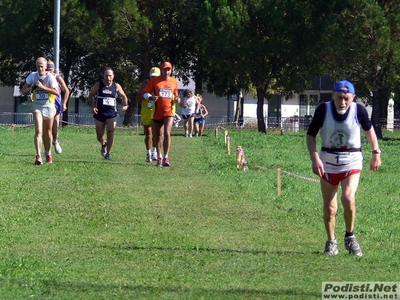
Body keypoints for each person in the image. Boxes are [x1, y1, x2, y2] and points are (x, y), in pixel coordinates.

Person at [306, 80, 382, 257]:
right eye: (339, 97)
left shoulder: (359, 110)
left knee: (348, 198)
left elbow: (369, 131)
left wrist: (376, 153)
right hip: (327, 162)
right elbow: (310, 135)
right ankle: (331, 242)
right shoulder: (323, 110)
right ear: (333, 95)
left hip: (352, 159)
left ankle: (350, 236)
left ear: (353, 97)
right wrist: (314, 157)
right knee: (330, 208)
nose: (342, 102)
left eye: (346, 98)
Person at [20, 57, 59, 165]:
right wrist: (31, 88)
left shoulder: (50, 77)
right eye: (38, 66)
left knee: (48, 132)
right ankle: (38, 156)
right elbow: (22, 90)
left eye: (42, 66)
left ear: (46, 67)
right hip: (37, 106)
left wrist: (43, 87)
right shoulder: (32, 75)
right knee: (38, 131)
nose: (40, 68)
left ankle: (48, 153)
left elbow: (56, 92)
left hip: (49, 106)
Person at [143, 61, 180, 167]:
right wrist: (151, 97)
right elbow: (145, 93)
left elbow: (176, 94)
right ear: (162, 70)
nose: (166, 71)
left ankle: (166, 157)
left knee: (167, 133)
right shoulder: (155, 81)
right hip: (156, 112)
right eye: (164, 69)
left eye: (168, 69)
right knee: (158, 136)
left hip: (169, 112)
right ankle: (159, 157)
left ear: (171, 70)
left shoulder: (174, 81)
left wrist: (177, 99)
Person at [88, 67, 129, 160]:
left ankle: (108, 154)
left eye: (110, 75)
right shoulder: (99, 85)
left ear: (113, 76)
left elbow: (123, 96)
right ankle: (104, 143)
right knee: (99, 135)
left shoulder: (116, 86)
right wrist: (93, 106)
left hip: (111, 113)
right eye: (106, 75)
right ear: (104, 76)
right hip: (100, 113)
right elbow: (91, 95)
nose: (108, 78)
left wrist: (125, 105)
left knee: (111, 132)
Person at [136, 67, 160, 162]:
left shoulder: (160, 84)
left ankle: (154, 152)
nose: (153, 79)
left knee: (156, 134)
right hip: (147, 110)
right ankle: (148, 152)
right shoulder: (145, 84)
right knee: (149, 134)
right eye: (152, 77)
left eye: (156, 77)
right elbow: (138, 98)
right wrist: (149, 97)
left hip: (158, 111)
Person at [47, 60, 70, 154]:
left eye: (51, 69)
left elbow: (67, 91)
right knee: (47, 129)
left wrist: (64, 103)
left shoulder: (57, 77)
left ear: (54, 69)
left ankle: (55, 141)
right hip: (46, 104)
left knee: (55, 129)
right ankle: (47, 150)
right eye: (47, 69)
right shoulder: (42, 77)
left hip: (56, 105)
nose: (49, 72)